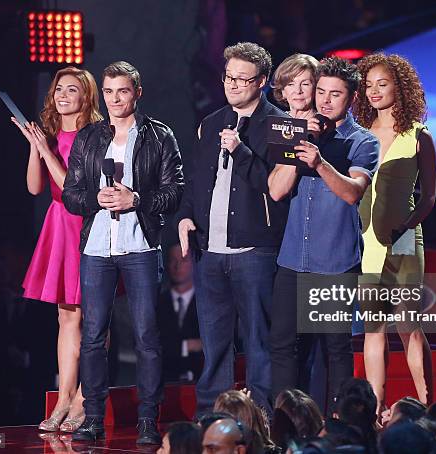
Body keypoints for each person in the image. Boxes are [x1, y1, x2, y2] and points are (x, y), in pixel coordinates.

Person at [62, 61, 184, 444]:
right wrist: (95, 200)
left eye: (123, 91)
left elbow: (175, 191)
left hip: (141, 245)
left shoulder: (159, 136)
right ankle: (93, 416)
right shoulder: (89, 137)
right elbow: (70, 193)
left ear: (137, 92)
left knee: (147, 335)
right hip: (97, 247)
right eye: (109, 91)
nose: (115, 99)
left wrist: (137, 199)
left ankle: (149, 418)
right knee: (94, 335)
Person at [177, 42, 289, 416]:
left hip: (255, 250)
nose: (234, 85)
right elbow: (196, 180)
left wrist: (241, 150)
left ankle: (260, 416)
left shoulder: (279, 125)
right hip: (210, 250)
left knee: (258, 341)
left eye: (243, 79)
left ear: (262, 82)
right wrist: (186, 216)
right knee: (215, 342)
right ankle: (213, 415)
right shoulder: (210, 123)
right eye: (229, 77)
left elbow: (274, 189)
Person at [268, 57, 379, 411]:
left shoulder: (362, 141)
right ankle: (284, 422)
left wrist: (319, 163)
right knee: (283, 344)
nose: (326, 100)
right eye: (321, 92)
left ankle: (343, 425)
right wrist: (299, 138)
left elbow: (352, 192)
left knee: (336, 348)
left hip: (333, 260)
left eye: (336, 94)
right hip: (292, 258)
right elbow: (275, 190)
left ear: (351, 99)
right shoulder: (297, 129)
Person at [11, 66, 102, 432]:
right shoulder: (50, 135)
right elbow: (36, 188)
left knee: (95, 317)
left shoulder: (93, 136)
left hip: (86, 226)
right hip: (58, 227)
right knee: (66, 317)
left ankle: (85, 396)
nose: (63, 95)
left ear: (86, 97)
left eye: (72, 89)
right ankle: (64, 396)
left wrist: (46, 151)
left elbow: (73, 192)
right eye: (58, 88)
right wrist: (37, 148)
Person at [352, 53, 436, 416]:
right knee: (374, 326)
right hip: (365, 240)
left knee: (409, 325)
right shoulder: (357, 136)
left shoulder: (418, 136)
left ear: (399, 88)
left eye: (382, 84)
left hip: (403, 239)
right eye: (368, 85)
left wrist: (407, 224)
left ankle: (427, 406)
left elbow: (430, 196)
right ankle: (376, 410)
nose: (373, 91)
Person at [157, 243, 202, 382]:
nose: (177, 266)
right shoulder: (156, 304)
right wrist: (187, 345)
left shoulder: (207, 303)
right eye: (173, 260)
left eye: (183, 260)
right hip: (166, 381)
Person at [271, 53, 319, 121]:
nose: (298, 91)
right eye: (290, 84)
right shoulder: (274, 124)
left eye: (305, 84)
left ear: (316, 88)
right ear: (283, 91)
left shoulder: (326, 126)